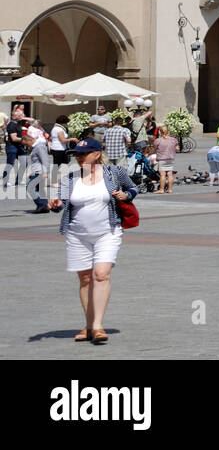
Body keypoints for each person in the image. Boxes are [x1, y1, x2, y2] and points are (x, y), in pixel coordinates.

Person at [47, 138, 137, 345]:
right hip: (77, 235)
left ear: (97, 154)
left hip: (108, 232)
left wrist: (126, 195)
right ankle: (88, 326)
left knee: (101, 275)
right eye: (76, 155)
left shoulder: (114, 173)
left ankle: (97, 325)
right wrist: (55, 203)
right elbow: (61, 202)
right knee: (86, 279)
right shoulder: (70, 179)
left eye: (83, 154)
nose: (79, 158)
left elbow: (134, 188)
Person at [153, 125, 179, 194]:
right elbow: (177, 148)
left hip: (162, 159)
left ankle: (161, 189)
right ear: (168, 131)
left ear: (160, 132)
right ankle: (170, 189)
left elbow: (154, 149)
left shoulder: (158, 140)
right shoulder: (173, 140)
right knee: (170, 174)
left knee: (162, 175)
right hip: (170, 159)